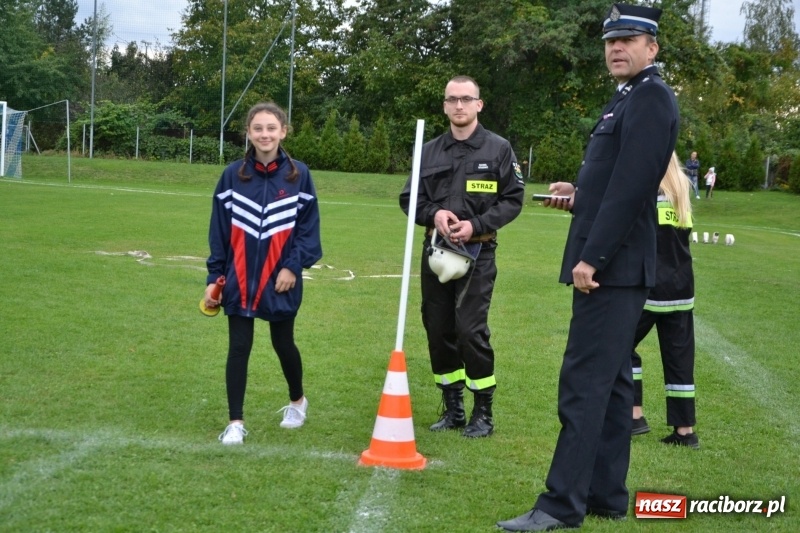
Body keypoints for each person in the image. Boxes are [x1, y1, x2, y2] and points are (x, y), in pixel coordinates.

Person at [497, 4, 678, 530]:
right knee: (616, 384)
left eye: (629, 39)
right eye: (610, 41)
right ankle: (605, 495)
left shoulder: (651, 98)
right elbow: (610, 183)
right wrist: (576, 195)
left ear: (652, 48)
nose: (616, 48)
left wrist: (591, 259)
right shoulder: (628, 98)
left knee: (583, 384)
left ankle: (559, 505)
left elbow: (631, 191)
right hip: (613, 266)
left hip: (611, 270)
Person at [399, 75, 525, 438]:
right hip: (436, 252)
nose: (459, 106)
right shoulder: (430, 150)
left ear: (478, 104)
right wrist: (433, 214)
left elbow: (513, 198)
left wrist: (477, 224)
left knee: (470, 330)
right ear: (444, 105)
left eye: (466, 99)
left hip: (478, 251)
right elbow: (410, 200)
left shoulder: (498, 149)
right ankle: (452, 406)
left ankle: (482, 411)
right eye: (452, 99)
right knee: (438, 331)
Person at [205, 102, 323, 445]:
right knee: (239, 346)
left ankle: (298, 401)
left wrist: (292, 265)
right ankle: (236, 423)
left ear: (283, 131)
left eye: (271, 128)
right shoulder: (231, 175)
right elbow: (219, 232)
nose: (265, 134)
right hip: (239, 279)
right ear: (248, 133)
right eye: (258, 128)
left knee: (282, 342)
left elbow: (309, 231)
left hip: (280, 280)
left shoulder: (299, 174)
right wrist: (215, 277)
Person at [631, 152, 699, 449]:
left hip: (651, 288)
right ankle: (685, 431)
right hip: (682, 289)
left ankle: (634, 415)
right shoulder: (680, 193)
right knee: (680, 363)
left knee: (620, 346)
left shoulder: (648, 194)